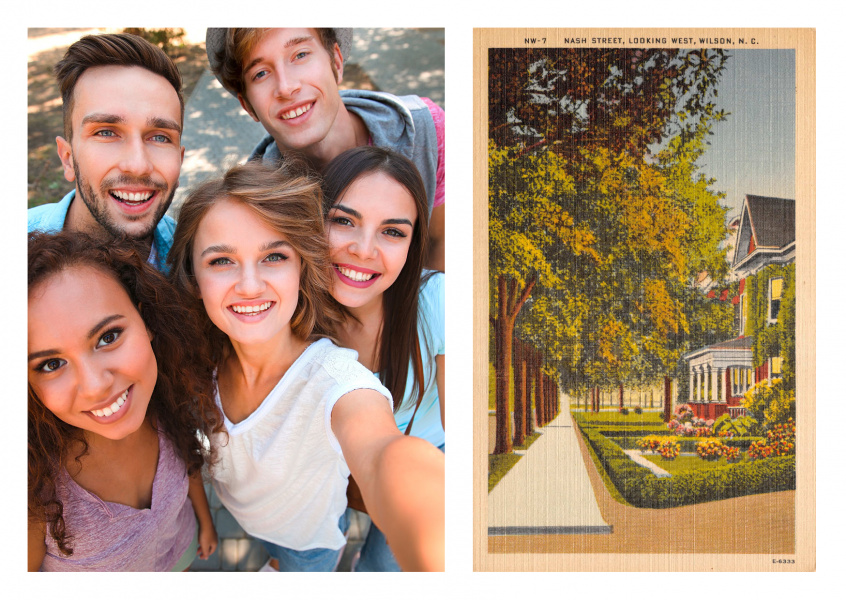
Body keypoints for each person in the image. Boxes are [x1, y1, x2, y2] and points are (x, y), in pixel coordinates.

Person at [167, 160, 445, 571]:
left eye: (274, 256)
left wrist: (429, 521)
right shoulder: (197, 357)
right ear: (194, 275)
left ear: (303, 266)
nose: (249, 285)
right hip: (257, 524)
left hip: (310, 546)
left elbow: (378, 447)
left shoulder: (335, 379)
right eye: (221, 261)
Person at [27, 231, 223, 571]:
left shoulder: (164, 399)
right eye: (51, 364)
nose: (95, 387)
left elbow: (189, 463)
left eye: (108, 337)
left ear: (145, 320)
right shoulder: (32, 494)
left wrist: (204, 520)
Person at [205, 27, 445, 272]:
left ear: (336, 62)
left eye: (300, 55)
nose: (286, 88)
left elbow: (442, 244)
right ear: (248, 106)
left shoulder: (425, 130)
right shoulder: (254, 203)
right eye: (261, 73)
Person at [322, 146, 444, 571]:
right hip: (330, 472)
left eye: (392, 232)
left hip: (426, 463)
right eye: (343, 221)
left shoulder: (437, 302)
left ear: (413, 244)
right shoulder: (287, 309)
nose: (363, 249)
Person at [27, 33, 185, 272]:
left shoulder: (195, 261)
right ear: (68, 159)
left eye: (160, 137)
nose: (138, 165)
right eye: (106, 133)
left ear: (180, 161)